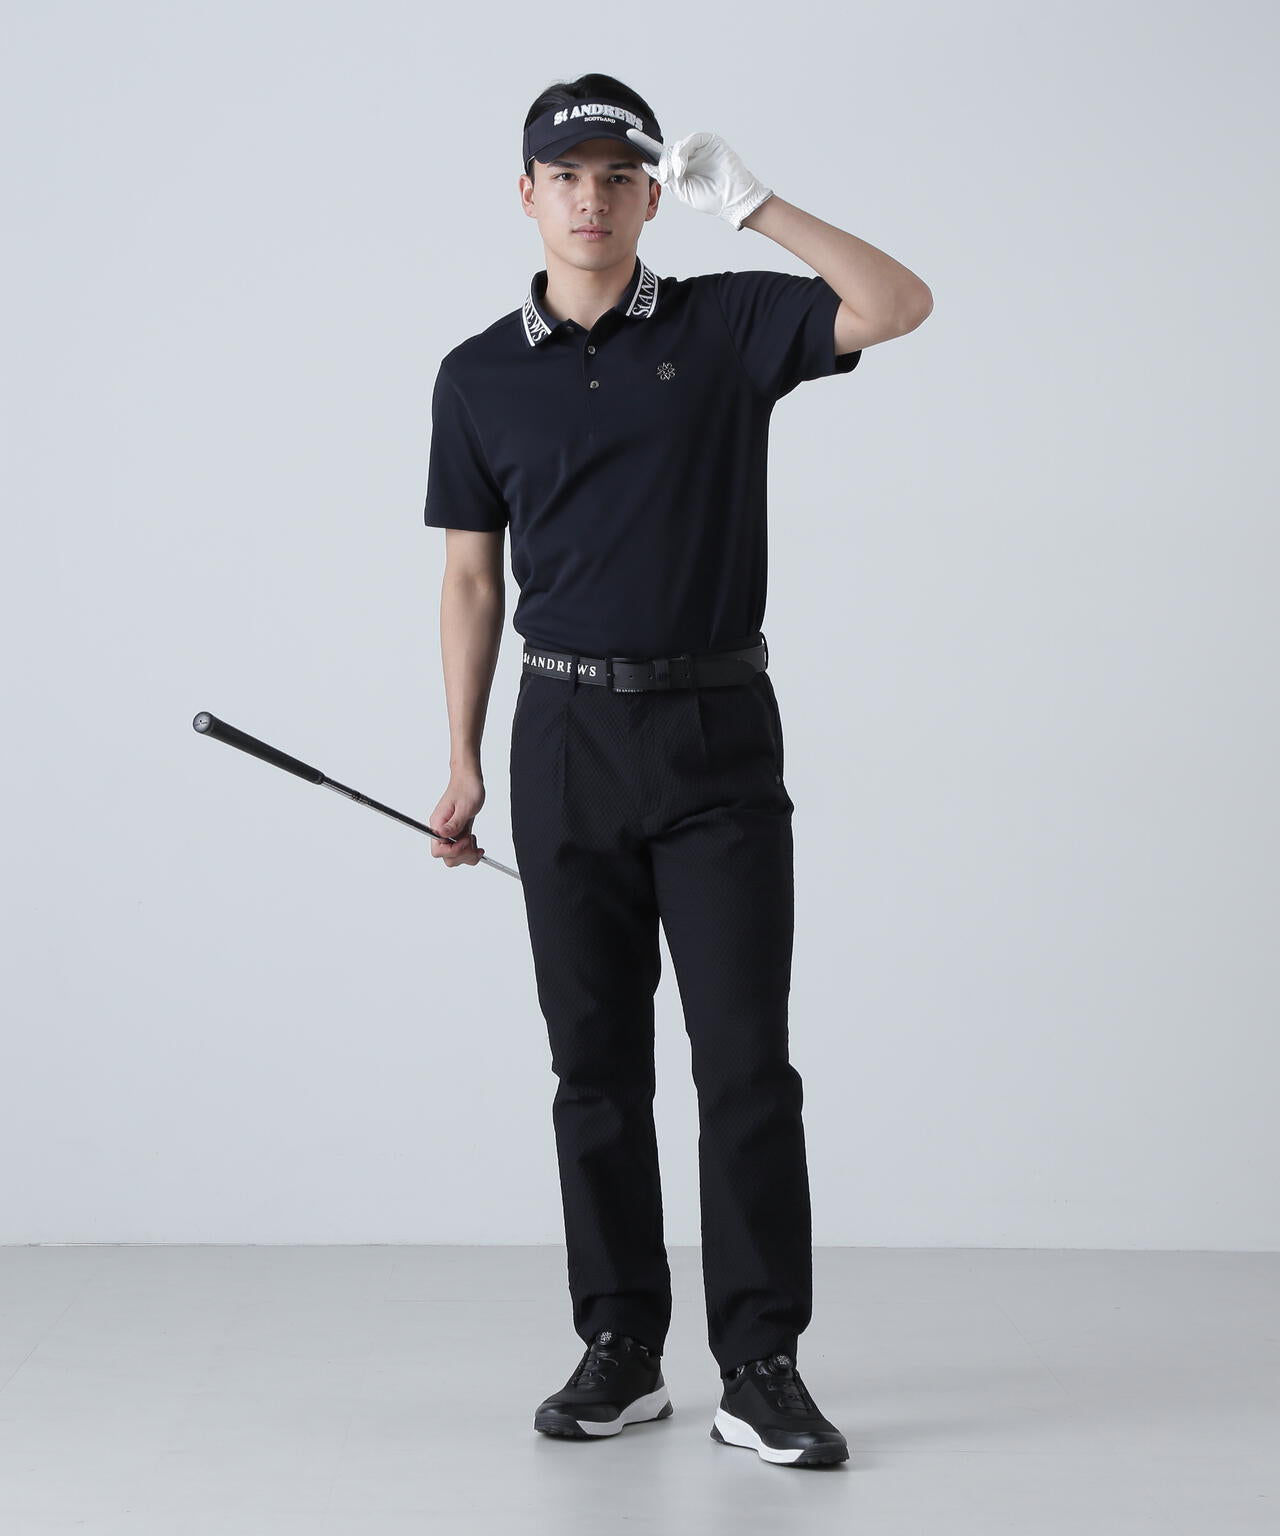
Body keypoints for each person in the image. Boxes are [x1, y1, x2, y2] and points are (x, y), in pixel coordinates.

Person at [422, 73, 932, 1468]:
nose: (590, 197)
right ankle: (622, 1347)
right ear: (527, 194)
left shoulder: (723, 325)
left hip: (715, 733)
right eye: (565, 174)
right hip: (561, 738)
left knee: (746, 1063)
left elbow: (897, 304)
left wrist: (757, 206)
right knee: (593, 1065)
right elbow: (471, 580)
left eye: (617, 175)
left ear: (653, 194)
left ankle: (759, 1365)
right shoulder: (477, 375)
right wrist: (461, 759)